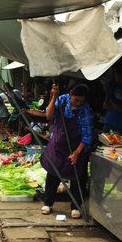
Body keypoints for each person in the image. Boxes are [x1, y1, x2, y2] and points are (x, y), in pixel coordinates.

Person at [40, 84, 93, 219]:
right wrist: (53, 97)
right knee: (53, 173)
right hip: (58, 143)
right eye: (76, 100)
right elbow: (48, 114)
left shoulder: (85, 110)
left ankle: (76, 206)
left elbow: (87, 134)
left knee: (78, 176)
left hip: (76, 146)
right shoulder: (61, 100)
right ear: (70, 94)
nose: (79, 103)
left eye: (82, 101)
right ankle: (48, 203)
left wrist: (77, 152)